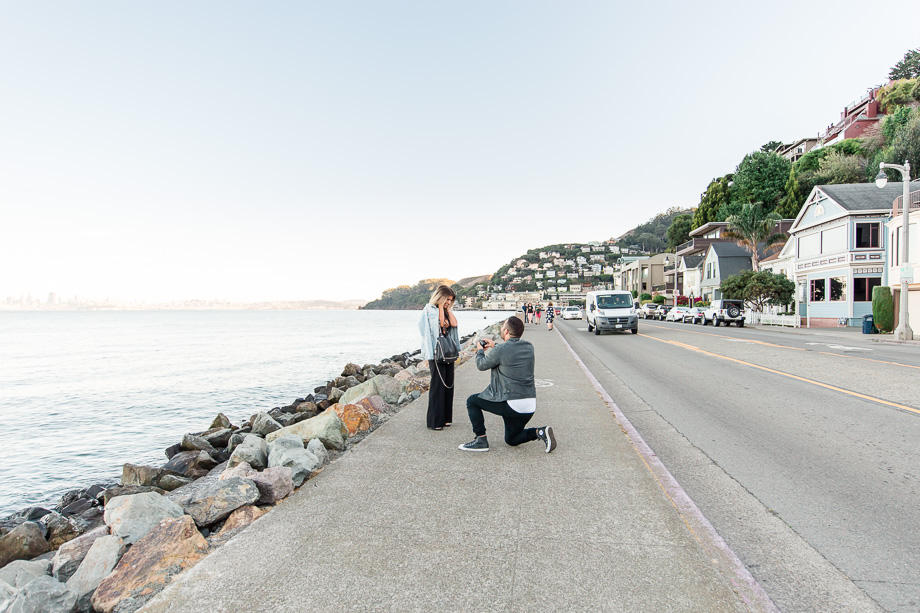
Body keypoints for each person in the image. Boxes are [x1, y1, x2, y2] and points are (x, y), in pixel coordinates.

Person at [459, 316, 556, 453]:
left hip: (512, 404)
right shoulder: (529, 347)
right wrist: (494, 345)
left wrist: (480, 350)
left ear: (505, 332)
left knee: (472, 401)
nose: (501, 327)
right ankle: (540, 432)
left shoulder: (501, 350)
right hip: (529, 406)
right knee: (511, 439)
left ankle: (480, 440)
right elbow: (510, 350)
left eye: (503, 326)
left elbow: (481, 365)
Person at [418, 285, 459, 430]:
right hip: (436, 352)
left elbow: (454, 324)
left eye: (450, 300)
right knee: (438, 385)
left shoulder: (447, 310)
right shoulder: (430, 309)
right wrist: (441, 308)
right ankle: (435, 421)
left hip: (448, 351)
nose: (448, 302)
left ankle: (446, 418)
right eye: (446, 299)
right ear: (439, 296)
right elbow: (438, 324)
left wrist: (447, 309)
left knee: (448, 384)